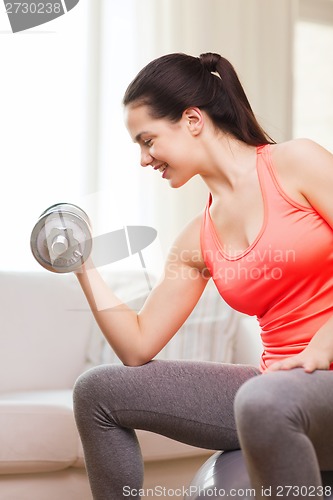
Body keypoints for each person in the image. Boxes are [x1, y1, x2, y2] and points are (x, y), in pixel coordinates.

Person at [73, 52, 333, 499]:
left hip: (307, 380)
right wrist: (83, 264)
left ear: (193, 120)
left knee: (262, 400)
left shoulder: (296, 164)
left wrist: (322, 345)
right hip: (276, 387)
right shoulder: (198, 239)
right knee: (96, 391)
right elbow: (137, 346)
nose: (143, 159)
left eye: (147, 140)